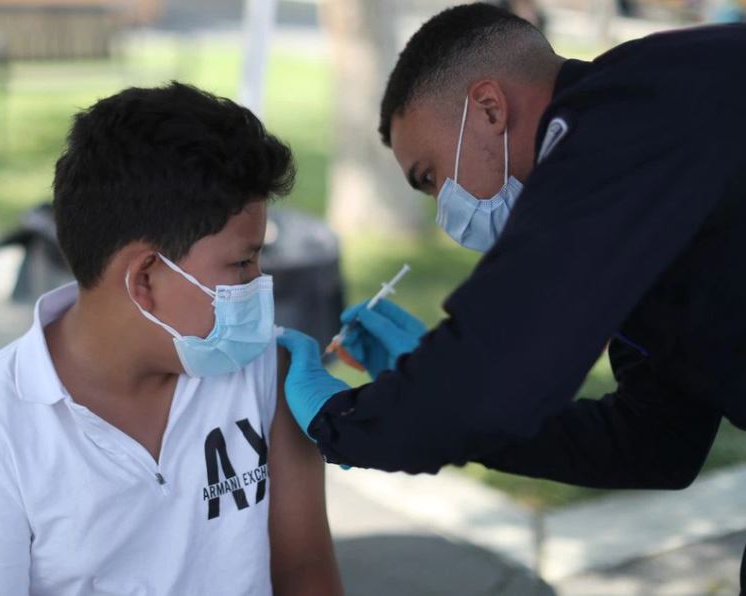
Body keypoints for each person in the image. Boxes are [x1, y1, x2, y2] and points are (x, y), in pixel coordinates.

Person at [276, 3, 746, 590]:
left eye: (429, 176)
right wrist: (439, 394)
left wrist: (343, 419)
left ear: (491, 109)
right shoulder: (637, 178)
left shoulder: (628, 116)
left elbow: (501, 376)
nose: (441, 206)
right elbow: (654, 443)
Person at [0, 83, 342, 596]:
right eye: (242, 262)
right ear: (143, 278)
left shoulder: (264, 373)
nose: (260, 285)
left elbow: (304, 569)